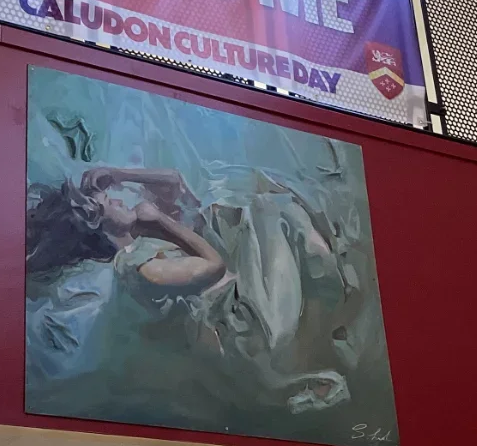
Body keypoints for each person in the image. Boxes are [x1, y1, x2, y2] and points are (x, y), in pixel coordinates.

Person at [25, 163, 359, 416]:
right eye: (105, 202)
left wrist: (119, 173)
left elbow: (174, 182)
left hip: (242, 303)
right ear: (99, 224)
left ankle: (331, 311)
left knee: (270, 203)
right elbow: (212, 269)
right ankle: (326, 321)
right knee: (273, 210)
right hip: (245, 326)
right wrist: (161, 223)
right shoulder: (135, 267)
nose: (113, 196)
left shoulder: (138, 244)